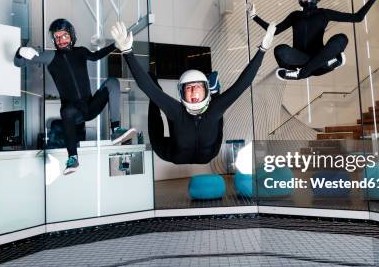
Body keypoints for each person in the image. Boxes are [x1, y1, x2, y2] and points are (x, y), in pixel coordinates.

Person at [109, 21, 275, 165]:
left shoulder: (213, 110)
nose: (194, 90)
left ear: (205, 91)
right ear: (182, 93)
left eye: (198, 87)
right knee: (155, 98)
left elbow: (242, 84)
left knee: (218, 109)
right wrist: (127, 52)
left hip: (208, 153)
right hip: (172, 153)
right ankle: (210, 90)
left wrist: (262, 49)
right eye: (189, 88)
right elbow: (146, 88)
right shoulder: (177, 111)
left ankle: (215, 92)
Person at [14, 18, 135, 174]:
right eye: (56, 37)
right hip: (73, 113)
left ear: (71, 35)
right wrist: (20, 52)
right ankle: (73, 158)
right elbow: (18, 63)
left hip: (90, 106)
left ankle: (116, 129)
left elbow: (96, 56)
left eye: (63, 35)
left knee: (112, 82)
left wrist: (115, 45)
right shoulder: (50, 57)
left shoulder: (81, 51)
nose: (60, 40)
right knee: (65, 111)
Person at [248, 0, 379, 80]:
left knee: (342, 38)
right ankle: (326, 64)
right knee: (279, 50)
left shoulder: (324, 13)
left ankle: (301, 74)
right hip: (303, 61)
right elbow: (273, 31)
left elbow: (357, 17)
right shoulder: (295, 15)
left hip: (320, 57)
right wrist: (254, 16)